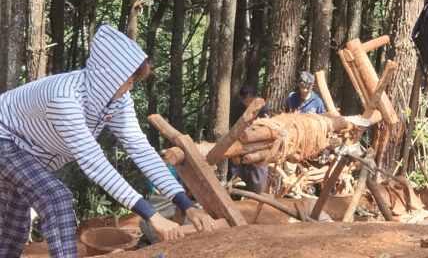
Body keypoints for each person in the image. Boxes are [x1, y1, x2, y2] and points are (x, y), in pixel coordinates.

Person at [0, 25, 216, 258]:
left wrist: (186, 205)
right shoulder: (64, 98)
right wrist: (152, 215)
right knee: (56, 198)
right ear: (108, 77)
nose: (131, 88)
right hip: (5, 138)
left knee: (14, 230)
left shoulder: (118, 101)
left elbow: (141, 150)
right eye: (128, 81)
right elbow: (95, 163)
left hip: (28, 156)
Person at [228, 85, 270, 194]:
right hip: (240, 141)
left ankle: (257, 192)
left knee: (257, 167)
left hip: (257, 143)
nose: (247, 104)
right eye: (245, 101)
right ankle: (235, 187)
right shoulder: (237, 108)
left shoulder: (262, 109)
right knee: (235, 160)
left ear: (255, 98)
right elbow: (233, 127)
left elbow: (265, 130)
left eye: (250, 101)